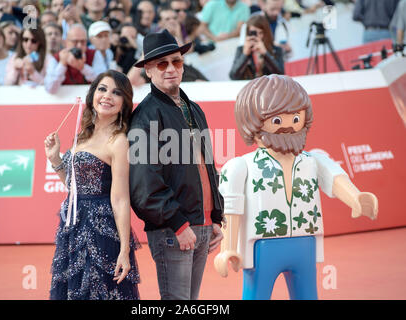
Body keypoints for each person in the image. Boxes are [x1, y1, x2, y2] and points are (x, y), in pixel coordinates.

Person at [215, 74, 378, 300]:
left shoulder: (312, 160)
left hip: (305, 242)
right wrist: (228, 248)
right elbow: (231, 208)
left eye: (295, 118)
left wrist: (356, 198)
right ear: (252, 121)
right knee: (256, 296)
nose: (289, 127)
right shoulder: (241, 166)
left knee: (307, 296)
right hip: (263, 245)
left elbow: (335, 177)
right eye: (278, 120)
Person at [128, 29, 224, 300]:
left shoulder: (193, 109)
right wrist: (179, 225)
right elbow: (144, 185)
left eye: (176, 61)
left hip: (202, 226)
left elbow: (207, 167)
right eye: (162, 63)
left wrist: (215, 217)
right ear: (148, 70)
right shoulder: (145, 117)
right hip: (174, 231)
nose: (171, 69)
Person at [44, 70, 140, 300]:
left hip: (100, 230)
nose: (107, 96)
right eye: (102, 89)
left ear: (124, 103)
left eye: (116, 92)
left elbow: (120, 199)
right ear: (92, 94)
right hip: (72, 226)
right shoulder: (84, 134)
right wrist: (55, 158)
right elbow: (74, 187)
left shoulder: (118, 141)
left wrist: (125, 250)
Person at [44, 24, 107, 94]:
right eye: (75, 42)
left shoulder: (94, 54)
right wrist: (62, 64)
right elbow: (50, 89)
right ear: (65, 42)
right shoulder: (57, 58)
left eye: (83, 42)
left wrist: (83, 68)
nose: (79, 45)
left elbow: (104, 84)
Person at [229, 13, 284, 80]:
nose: (257, 36)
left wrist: (265, 53)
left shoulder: (276, 49)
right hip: (249, 88)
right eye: (253, 33)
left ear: (266, 33)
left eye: (260, 33)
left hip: (268, 87)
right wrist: (245, 55)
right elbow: (233, 76)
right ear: (248, 33)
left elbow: (281, 75)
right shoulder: (241, 49)